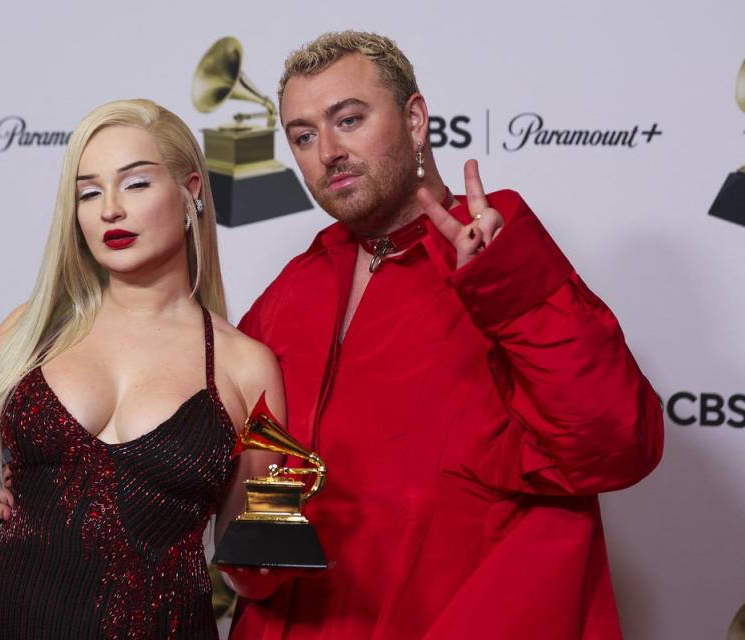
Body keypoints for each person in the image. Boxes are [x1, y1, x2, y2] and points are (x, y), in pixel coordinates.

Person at [217, 31, 664, 639]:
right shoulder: (292, 290)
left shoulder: (499, 248)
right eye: (302, 135)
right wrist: (256, 556)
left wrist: (507, 284)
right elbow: (266, 472)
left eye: (349, 120)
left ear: (415, 119)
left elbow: (617, 444)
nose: (328, 151)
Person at [0, 99, 283, 639]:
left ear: (191, 192)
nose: (110, 209)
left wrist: (284, 507)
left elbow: (254, 575)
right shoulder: (33, 330)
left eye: (135, 184)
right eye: (89, 193)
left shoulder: (245, 366)